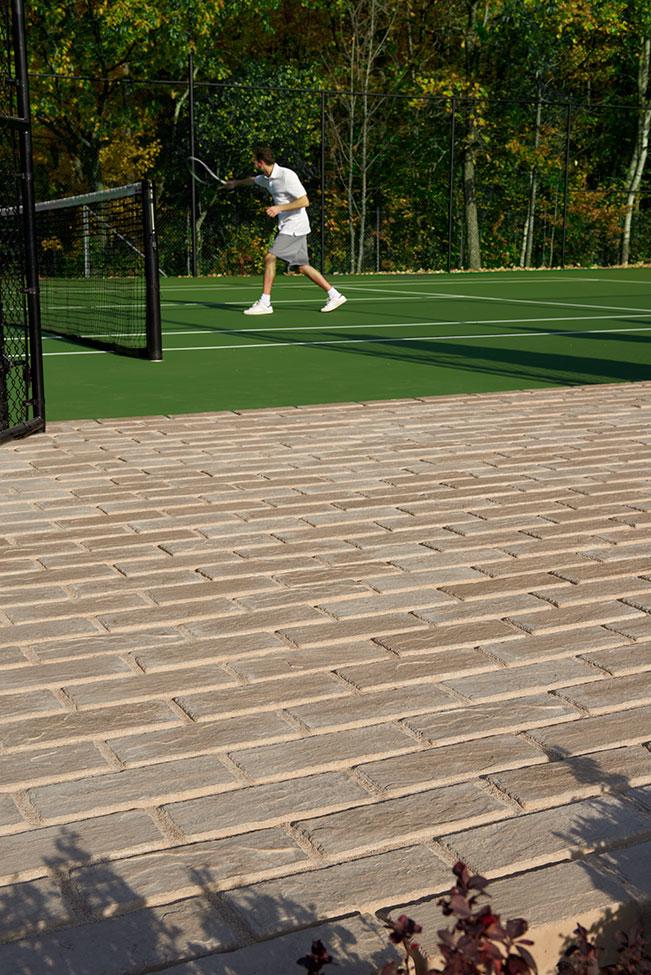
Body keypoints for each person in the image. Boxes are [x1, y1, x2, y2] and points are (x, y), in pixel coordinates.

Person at [223, 145, 347, 315]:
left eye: (254, 161)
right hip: (293, 226)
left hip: (294, 225)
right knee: (302, 267)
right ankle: (335, 295)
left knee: (270, 257)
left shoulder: (287, 176)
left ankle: (265, 303)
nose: (253, 164)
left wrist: (279, 208)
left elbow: (304, 201)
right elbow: (252, 180)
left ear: (260, 162)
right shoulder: (267, 178)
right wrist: (234, 184)